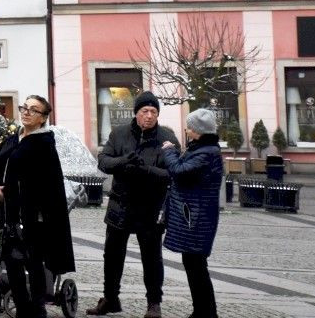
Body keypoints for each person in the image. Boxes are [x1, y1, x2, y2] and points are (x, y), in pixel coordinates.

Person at [88, 91, 179, 318]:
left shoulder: (166, 137)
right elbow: (103, 161)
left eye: (154, 112)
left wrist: (146, 170)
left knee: (152, 258)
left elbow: (173, 172)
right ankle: (110, 298)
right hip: (121, 205)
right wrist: (123, 162)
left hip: (150, 208)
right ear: (136, 113)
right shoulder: (119, 134)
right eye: (144, 111)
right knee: (112, 255)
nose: (149, 116)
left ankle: (154, 303)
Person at [0, 95, 74, 318]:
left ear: (43, 118)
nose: (26, 112)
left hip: (32, 216)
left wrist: (15, 194)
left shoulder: (43, 144)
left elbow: (46, 184)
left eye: (33, 110)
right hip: (8, 213)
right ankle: (22, 308)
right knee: (12, 261)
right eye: (24, 107)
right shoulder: (14, 138)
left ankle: (37, 309)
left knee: (33, 263)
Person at [161, 109, 223, 318]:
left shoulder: (206, 153)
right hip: (196, 216)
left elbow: (179, 171)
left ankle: (206, 313)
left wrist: (169, 151)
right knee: (193, 264)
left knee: (196, 266)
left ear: (197, 130)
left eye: (189, 126)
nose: (186, 130)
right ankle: (202, 311)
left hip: (197, 218)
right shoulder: (202, 149)